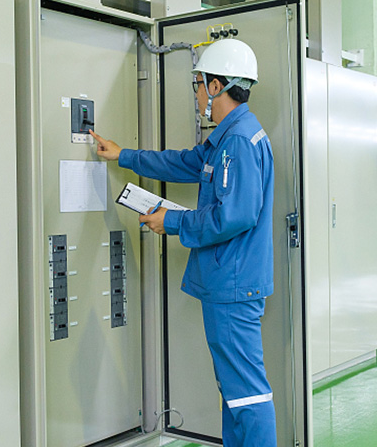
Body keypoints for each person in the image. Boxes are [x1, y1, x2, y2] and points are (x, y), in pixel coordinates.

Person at [90, 38, 276, 447]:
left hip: (233, 285)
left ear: (216, 86)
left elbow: (234, 216)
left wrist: (171, 221)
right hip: (229, 281)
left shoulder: (239, 141)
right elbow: (183, 163)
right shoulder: (228, 139)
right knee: (234, 390)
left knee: (247, 393)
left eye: (198, 83)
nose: (196, 94)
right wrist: (123, 156)